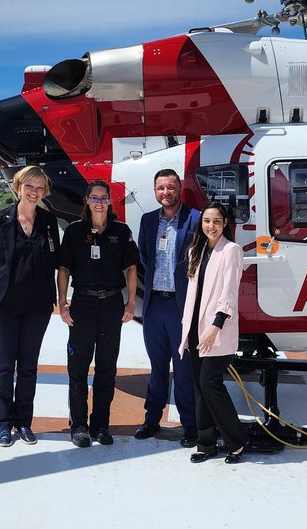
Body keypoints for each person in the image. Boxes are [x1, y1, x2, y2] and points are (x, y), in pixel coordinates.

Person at [0, 165, 61, 448]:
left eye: (40, 188)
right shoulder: (2, 219)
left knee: (28, 368)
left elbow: (54, 261)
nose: (35, 192)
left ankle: (24, 422)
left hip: (37, 307)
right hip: (4, 305)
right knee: (3, 367)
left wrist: (57, 298)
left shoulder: (49, 221)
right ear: (18, 186)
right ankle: (3, 424)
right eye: (30, 186)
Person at [57, 180, 140, 448]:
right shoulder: (74, 232)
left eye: (104, 198)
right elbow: (63, 269)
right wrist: (62, 300)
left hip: (112, 304)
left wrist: (129, 304)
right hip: (83, 304)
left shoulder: (121, 231)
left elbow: (131, 268)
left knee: (107, 369)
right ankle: (79, 426)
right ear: (87, 201)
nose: (99, 202)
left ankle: (100, 425)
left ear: (109, 202)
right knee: (78, 369)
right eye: (95, 198)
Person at [135, 169, 201, 447]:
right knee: (157, 367)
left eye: (170, 187)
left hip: (180, 307)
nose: (166, 193)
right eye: (161, 188)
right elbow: (144, 257)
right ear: (155, 191)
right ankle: (152, 419)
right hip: (154, 307)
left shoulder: (195, 218)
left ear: (179, 188)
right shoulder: (148, 221)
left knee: (184, 369)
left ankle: (190, 425)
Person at [179, 202, 248, 464]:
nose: (211, 226)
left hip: (216, 330)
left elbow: (229, 293)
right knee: (200, 387)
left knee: (211, 384)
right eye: (207, 221)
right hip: (195, 329)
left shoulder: (231, 250)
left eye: (216, 221)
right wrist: (189, 329)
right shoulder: (197, 250)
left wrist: (215, 327)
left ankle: (237, 441)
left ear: (225, 223)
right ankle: (206, 444)